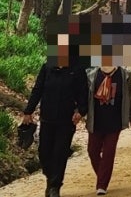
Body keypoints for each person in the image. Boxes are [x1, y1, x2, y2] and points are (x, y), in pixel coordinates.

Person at [22, 43, 88, 197]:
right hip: (47, 118)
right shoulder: (47, 68)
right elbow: (37, 90)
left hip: (67, 120)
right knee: (44, 153)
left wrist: (81, 111)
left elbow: (83, 93)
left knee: (60, 152)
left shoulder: (76, 70)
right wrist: (28, 111)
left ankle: (54, 187)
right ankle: (50, 178)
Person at [86, 60, 131, 195]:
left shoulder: (124, 76)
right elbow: (85, 97)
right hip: (96, 121)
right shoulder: (92, 75)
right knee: (92, 151)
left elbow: (130, 98)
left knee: (109, 153)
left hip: (114, 122)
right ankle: (103, 174)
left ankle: (102, 185)